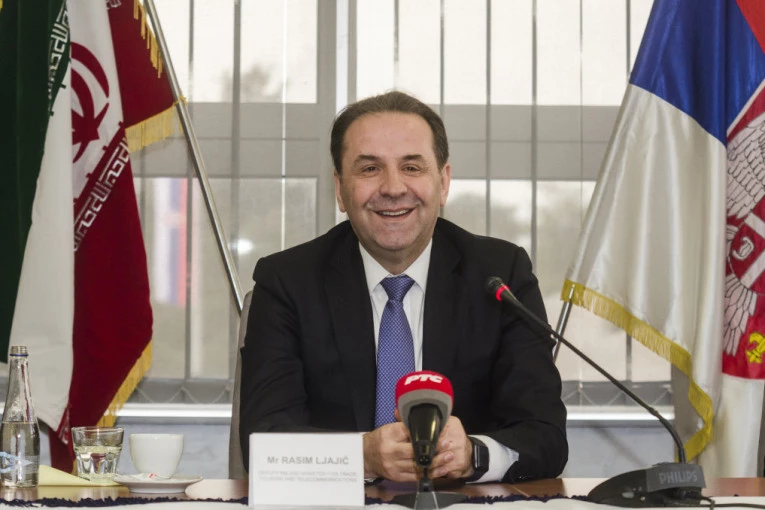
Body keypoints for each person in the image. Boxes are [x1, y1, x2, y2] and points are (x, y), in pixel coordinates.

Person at [239, 91, 567, 483]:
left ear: (443, 182)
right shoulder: (288, 281)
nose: (393, 188)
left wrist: (473, 454)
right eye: (370, 169)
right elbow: (264, 440)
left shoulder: (499, 276)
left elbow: (545, 435)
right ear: (340, 189)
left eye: (411, 167)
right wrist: (362, 456)